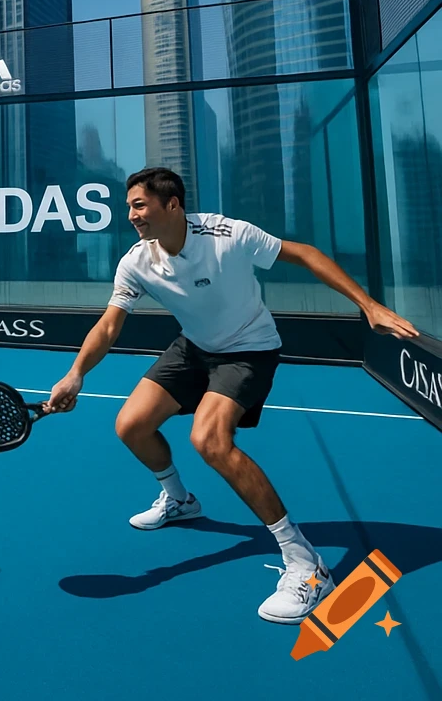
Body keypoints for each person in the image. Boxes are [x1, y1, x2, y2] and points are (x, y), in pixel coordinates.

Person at [44, 166, 418, 624]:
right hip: (195, 346)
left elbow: (304, 253)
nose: (131, 215)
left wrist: (370, 305)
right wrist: (76, 374)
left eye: (139, 205)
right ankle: (180, 500)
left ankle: (306, 563)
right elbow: (108, 325)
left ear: (172, 204)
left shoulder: (228, 233)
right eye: (129, 207)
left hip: (249, 349)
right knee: (131, 425)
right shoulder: (136, 261)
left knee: (210, 440)